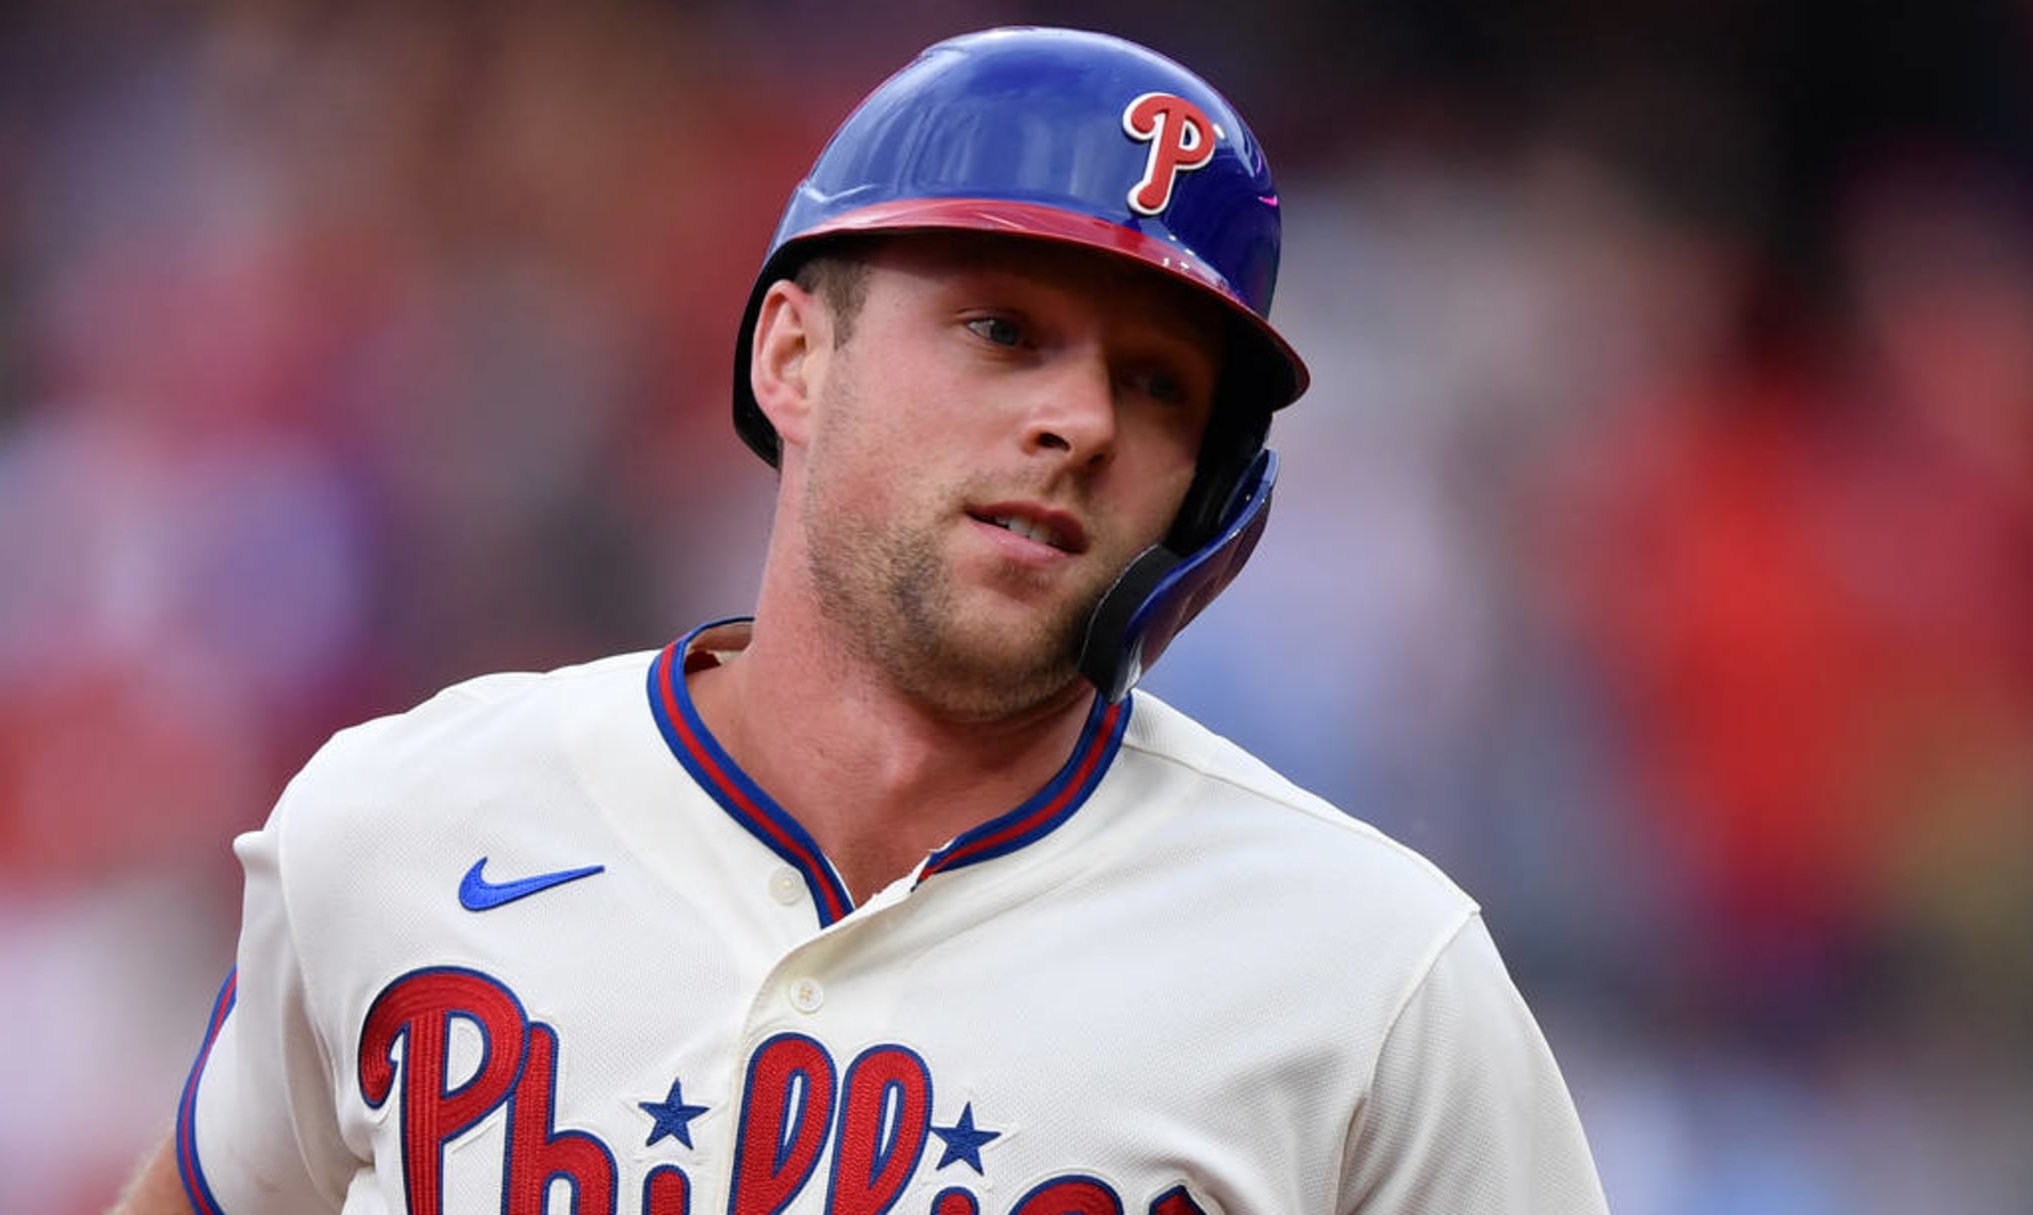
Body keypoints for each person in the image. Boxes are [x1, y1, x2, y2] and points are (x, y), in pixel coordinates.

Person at [114, 27, 1608, 1215]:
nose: (1078, 419)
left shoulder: (1372, 978)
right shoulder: (404, 819)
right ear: (793, 354)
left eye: (1158, 385)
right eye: (1001, 331)